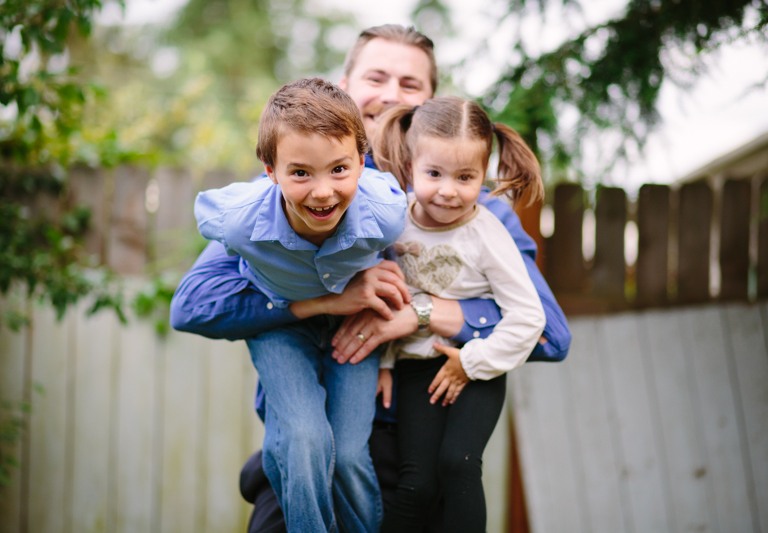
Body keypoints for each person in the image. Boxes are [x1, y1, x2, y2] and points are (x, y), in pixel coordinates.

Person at [170, 24, 572, 533]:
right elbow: (196, 302)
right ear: (345, 87)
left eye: (410, 84)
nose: (390, 94)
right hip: (310, 443)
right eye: (376, 77)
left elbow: (550, 334)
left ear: (429, 102)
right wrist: (318, 299)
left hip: (417, 450)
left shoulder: (476, 213)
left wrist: (419, 314)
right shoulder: (292, 194)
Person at [195, 77, 408, 533]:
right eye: (300, 173)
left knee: (347, 454)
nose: (323, 192)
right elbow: (205, 225)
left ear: (362, 162)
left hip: (352, 326)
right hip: (282, 330)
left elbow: (390, 253)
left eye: (339, 169)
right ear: (270, 171)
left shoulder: (385, 214)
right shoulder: (238, 223)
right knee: (302, 438)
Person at [372, 97, 545, 532]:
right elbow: (390, 297)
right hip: (416, 369)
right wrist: (386, 363)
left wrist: (471, 362)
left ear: (483, 175)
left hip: (478, 367)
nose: (448, 190)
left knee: (458, 464)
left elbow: (529, 317)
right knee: (417, 486)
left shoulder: (486, 233)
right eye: (434, 174)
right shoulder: (394, 222)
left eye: (465, 177)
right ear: (410, 166)